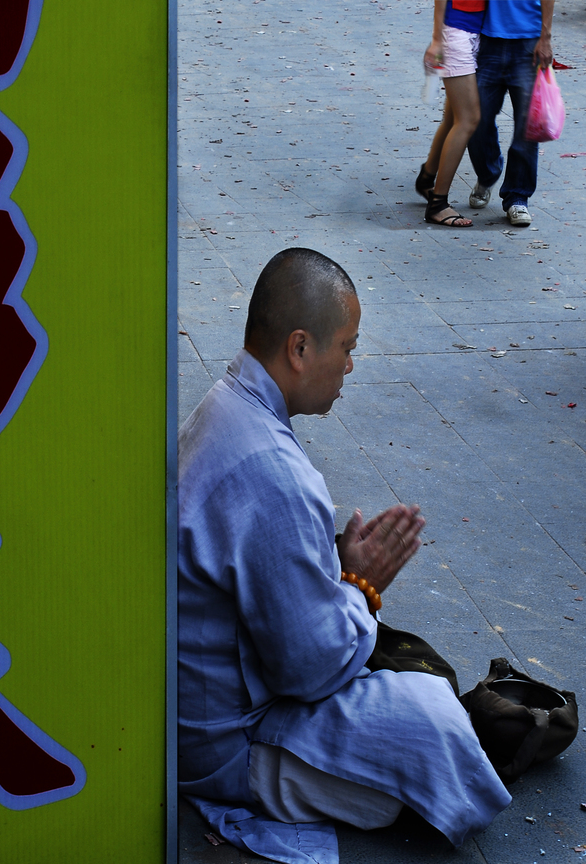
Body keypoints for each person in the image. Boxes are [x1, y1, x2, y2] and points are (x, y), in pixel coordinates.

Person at [178, 248, 511, 862]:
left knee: (418, 690)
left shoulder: (225, 404)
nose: (351, 366)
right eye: (347, 347)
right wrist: (361, 586)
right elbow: (305, 672)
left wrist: (332, 566)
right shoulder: (273, 471)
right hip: (228, 747)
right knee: (432, 719)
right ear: (300, 349)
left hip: (207, 708)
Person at [466, 0, 554, 227]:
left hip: (529, 43)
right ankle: (488, 173)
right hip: (488, 40)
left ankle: (517, 197)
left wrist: (545, 38)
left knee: (527, 126)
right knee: (476, 118)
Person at [417, 0, 485, 227]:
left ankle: (426, 178)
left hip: (476, 30)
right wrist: (437, 39)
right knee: (468, 119)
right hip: (455, 33)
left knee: (454, 117)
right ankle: (437, 204)